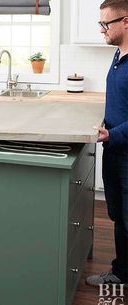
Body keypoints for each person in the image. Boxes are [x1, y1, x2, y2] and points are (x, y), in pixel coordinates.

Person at [86, 0, 128, 286]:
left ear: (126, 22)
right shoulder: (117, 56)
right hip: (114, 151)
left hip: (125, 154)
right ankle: (122, 272)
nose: (101, 29)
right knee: (118, 216)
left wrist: (114, 134)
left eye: (106, 23)